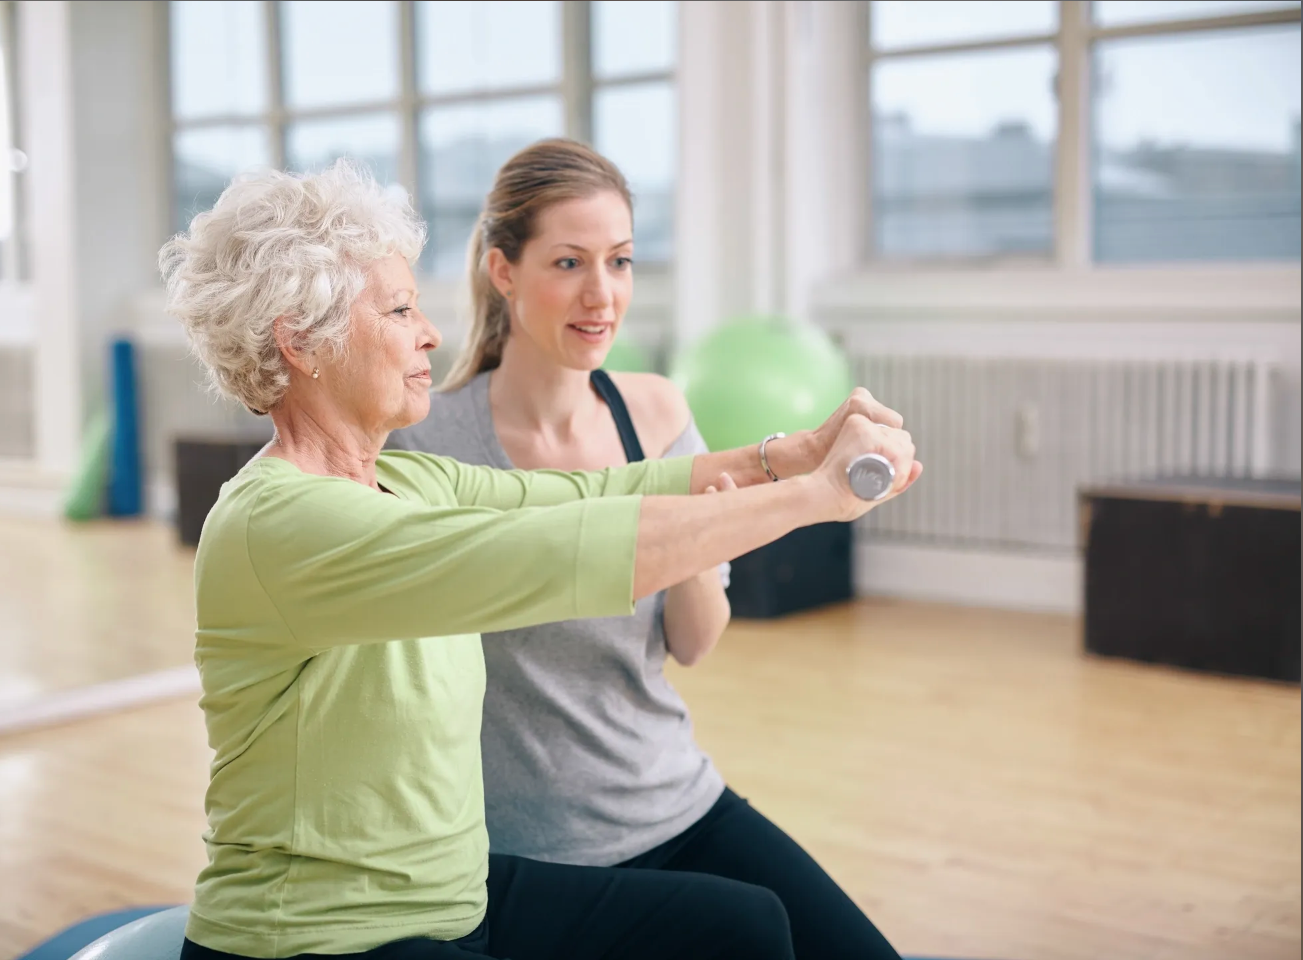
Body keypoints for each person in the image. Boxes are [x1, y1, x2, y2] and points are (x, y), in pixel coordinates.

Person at [159, 158, 920, 960]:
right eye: (400, 308)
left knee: (748, 926)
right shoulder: (284, 522)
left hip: (459, 897)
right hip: (321, 935)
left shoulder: (407, 478)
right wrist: (819, 499)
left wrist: (797, 454)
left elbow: (596, 496)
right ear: (302, 343)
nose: (431, 331)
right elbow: (554, 553)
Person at [389, 139, 908, 960]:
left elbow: (695, 643)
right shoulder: (427, 440)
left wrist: (702, 541)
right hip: (530, 855)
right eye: (568, 262)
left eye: (620, 262)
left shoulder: (656, 414)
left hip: (675, 800)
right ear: (503, 270)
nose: (602, 295)